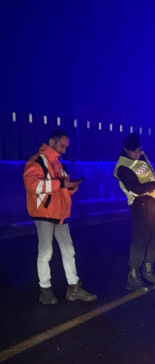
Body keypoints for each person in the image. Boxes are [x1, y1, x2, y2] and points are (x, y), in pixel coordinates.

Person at [23, 130, 98, 305]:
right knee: (46, 252)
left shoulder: (57, 164)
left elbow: (62, 186)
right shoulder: (37, 162)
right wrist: (63, 184)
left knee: (69, 251)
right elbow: (32, 185)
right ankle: (45, 290)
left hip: (60, 215)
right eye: (62, 146)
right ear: (52, 141)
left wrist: (71, 187)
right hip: (44, 214)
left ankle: (73, 288)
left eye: (66, 147)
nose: (64, 150)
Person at [114, 134, 155, 290]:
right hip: (140, 204)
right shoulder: (123, 167)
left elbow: (148, 173)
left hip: (154, 202)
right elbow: (136, 188)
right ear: (127, 150)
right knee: (140, 240)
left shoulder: (141, 156)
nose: (138, 154)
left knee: (154, 238)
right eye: (135, 152)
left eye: (139, 150)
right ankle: (133, 275)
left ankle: (148, 271)